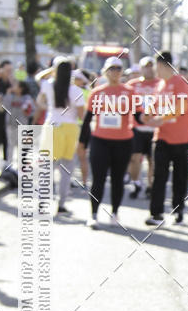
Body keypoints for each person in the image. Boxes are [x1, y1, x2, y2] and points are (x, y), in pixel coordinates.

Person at [79, 56, 135, 228]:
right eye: (112, 68)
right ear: (105, 71)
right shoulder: (97, 92)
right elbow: (87, 120)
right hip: (100, 141)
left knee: (118, 179)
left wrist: (152, 119)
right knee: (98, 179)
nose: (115, 72)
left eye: (118, 68)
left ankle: (115, 213)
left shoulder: (129, 92)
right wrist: (82, 143)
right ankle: (93, 215)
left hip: (123, 141)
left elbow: (139, 114)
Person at [145, 51, 188, 225]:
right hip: (161, 138)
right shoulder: (160, 85)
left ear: (161, 65)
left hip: (181, 139)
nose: (155, 70)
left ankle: (178, 210)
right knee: (159, 176)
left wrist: (161, 118)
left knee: (180, 177)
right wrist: (146, 115)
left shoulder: (180, 82)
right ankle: (156, 214)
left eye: (156, 66)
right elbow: (153, 106)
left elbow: (182, 107)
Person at [36, 58, 85, 215]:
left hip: (51, 126)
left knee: (47, 167)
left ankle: (42, 203)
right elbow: (82, 115)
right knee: (66, 170)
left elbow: (38, 79)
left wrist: (52, 70)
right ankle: (61, 204)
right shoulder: (76, 91)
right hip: (70, 128)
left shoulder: (48, 85)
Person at [127, 57, 162, 199]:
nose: (149, 69)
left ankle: (150, 186)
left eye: (151, 66)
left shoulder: (161, 83)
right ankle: (136, 184)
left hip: (155, 128)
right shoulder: (132, 85)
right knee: (134, 158)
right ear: (141, 68)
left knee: (152, 160)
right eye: (146, 66)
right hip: (137, 128)